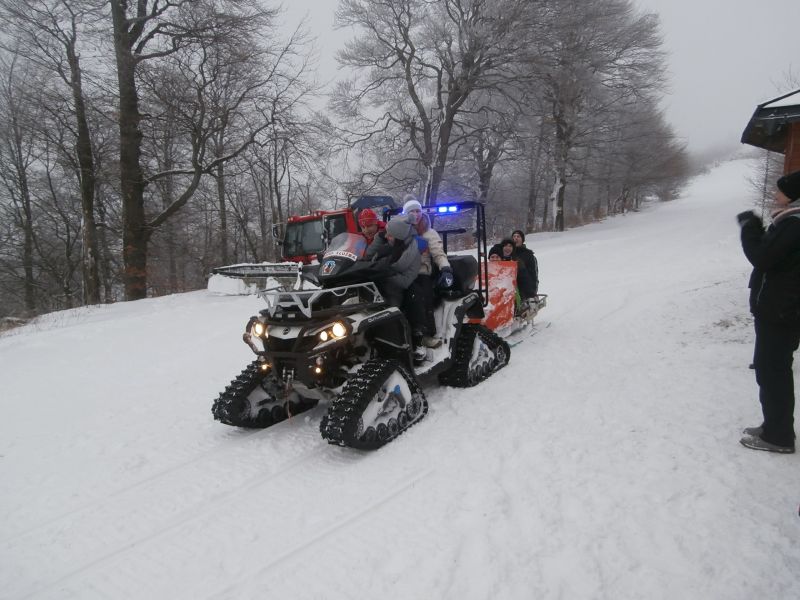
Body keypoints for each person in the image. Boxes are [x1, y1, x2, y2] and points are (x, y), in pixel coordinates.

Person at [737, 169, 800, 454]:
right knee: (772, 369)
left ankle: (778, 436)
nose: (776, 194)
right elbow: (776, 254)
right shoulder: (789, 223)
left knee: (772, 371)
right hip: (783, 309)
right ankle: (774, 426)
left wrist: (749, 227)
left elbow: (763, 257)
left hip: (782, 311)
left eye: (781, 190)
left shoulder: (794, 224)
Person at [402, 195, 453, 350]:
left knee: (417, 294)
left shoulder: (429, 233)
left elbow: (438, 254)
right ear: (406, 214)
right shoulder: (401, 232)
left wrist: (445, 268)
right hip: (401, 273)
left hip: (421, 273)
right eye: (411, 211)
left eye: (418, 211)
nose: (415, 214)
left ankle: (424, 334)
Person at [365, 216, 421, 310]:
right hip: (378, 287)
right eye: (386, 233)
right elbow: (369, 255)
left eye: (390, 235)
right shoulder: (389, 246)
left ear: (399, 238)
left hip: (395, 292)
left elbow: (405, 281)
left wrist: (384, 274)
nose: (386, 236)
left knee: (390, 308)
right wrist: (378, 238)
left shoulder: (413, 254)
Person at [511, 229, 538, 298]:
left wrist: (533, 292)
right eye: (514, 236)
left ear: (522, 240)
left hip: (524, 291)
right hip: (510, 290)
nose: (516, 238)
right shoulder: (508, 254)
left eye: (518, 236)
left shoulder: (529, 255)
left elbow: (533, 275)